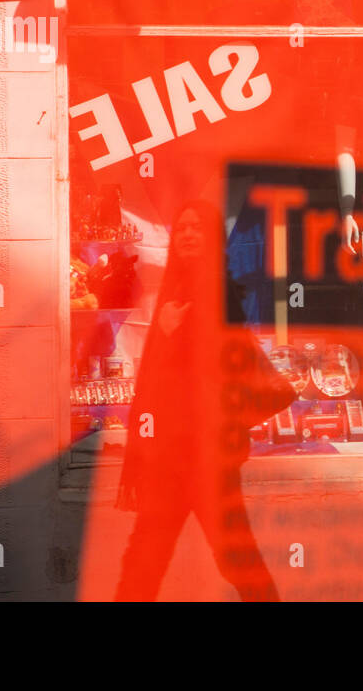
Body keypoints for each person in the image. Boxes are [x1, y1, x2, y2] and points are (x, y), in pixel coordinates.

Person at [114, 199, 292, 600]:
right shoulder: (178, 288)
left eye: (198, 227)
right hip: (170, 455)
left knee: (235, 560)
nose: (189, 234)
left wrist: (170, 332)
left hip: (209, 458)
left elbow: (219, 364)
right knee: (144, 561)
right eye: (183, 228)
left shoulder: (216, 288)